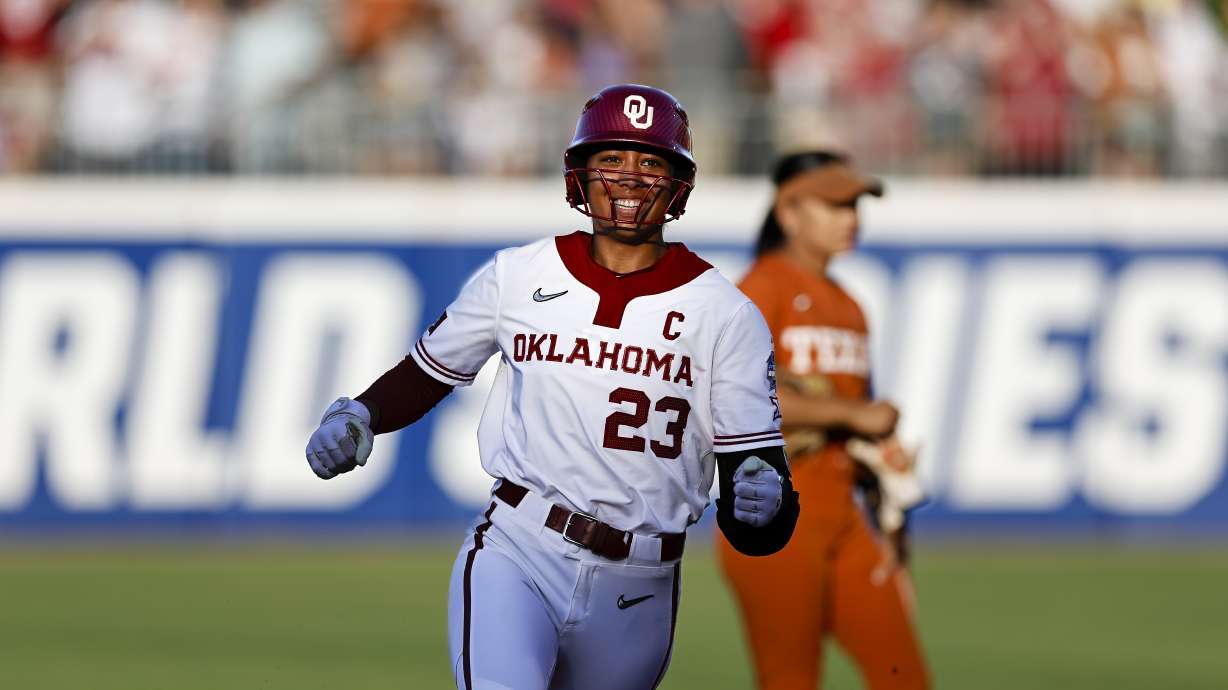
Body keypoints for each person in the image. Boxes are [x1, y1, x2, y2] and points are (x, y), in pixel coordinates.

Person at [305, 83, 800, 690]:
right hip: (521, 547)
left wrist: (764, 507)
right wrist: (362, 412)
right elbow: (428, 371)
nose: (629, 176)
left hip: (641, 585)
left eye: (650, 162)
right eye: (611, 158)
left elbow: (757, 496)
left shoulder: (725, 313)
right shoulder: (520, 273)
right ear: (579, 172)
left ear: (678, 183)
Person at [716, 150, 930, 690]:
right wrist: (854, 414)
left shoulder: (849, 305)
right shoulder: (759, 291)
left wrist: (884, 475)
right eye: (834, 204)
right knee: (790, 679)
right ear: (789, 212)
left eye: (854, 204)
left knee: (902, 673)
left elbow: (858, 428)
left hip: (845, 515)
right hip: (774, 512)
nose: (850, 217)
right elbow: (736, 395)